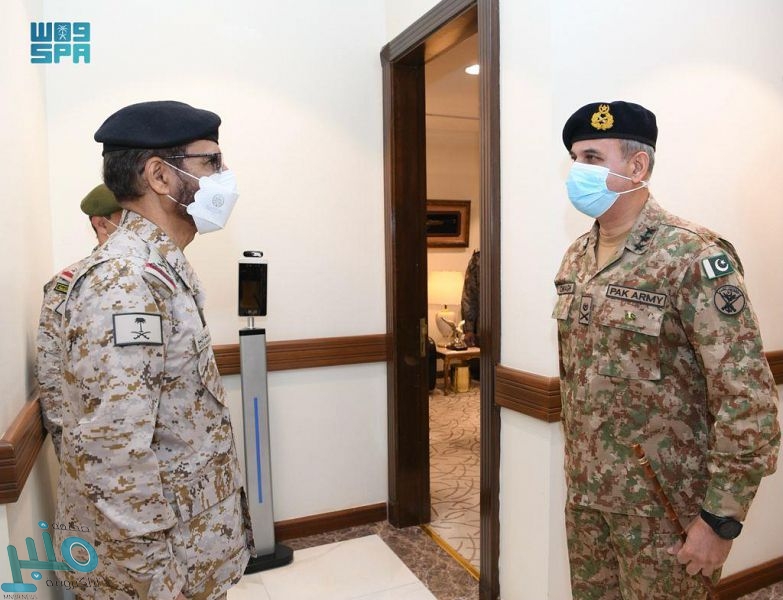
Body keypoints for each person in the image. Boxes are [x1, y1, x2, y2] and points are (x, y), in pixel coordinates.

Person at [552, 100, 780, 599]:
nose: (577, 172)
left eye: (592, 158)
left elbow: (747, 399)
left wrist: (720, 520)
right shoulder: (577, 258)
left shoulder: (693, 256)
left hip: (666, 513)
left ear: (637, 166)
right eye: (574, 159)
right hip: (589, 500)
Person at [56, 101, 251, 600]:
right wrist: (158, 584)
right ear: (160, 176)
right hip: (157, 575)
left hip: (188, 554)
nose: (224, 176)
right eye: (211, 162)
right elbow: (114, 454)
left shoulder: (158, 269)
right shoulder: (124, 282)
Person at [35, 184, 122, 459]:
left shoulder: (149, 278)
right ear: (101, 224)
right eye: (127, 218)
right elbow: (51, 367)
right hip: (93, 445)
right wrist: (68, 448)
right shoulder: (71, 284)